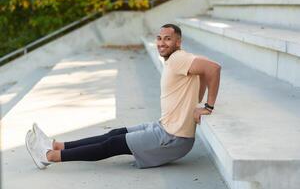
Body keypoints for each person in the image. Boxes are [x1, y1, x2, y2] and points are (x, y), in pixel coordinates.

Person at [25, 24, 221, 170]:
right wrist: (197, 99)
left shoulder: (179, 58)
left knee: (112, 145)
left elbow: (213, 68)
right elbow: (204, 71)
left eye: (168, 39)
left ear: (178, 42)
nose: (162, 43)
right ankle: (57, 145)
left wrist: (207, 106)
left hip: (173, 139)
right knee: (114, 133)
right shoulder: (180, 59)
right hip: (164, 127)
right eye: (159, 38)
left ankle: (49, 156)